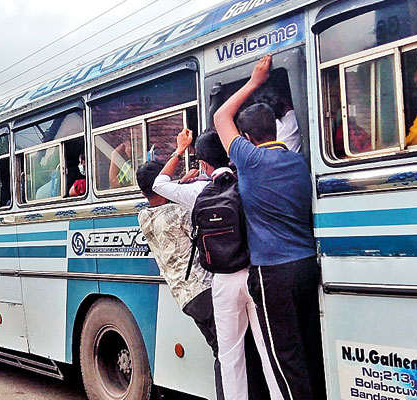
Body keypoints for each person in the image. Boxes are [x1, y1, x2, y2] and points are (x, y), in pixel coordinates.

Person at [214, 55, 324, 400]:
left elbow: (220, 116)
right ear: (275, 130)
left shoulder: (250, 160)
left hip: (272, 274)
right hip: (307, 266)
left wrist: (254, 81)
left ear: (246, 137)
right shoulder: (297, 161)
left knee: (284, 359)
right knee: (307, 350)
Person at [152, 128, 281, 400]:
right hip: (254, 274)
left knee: (230, 354)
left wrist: (179, 149)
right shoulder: (247, 179)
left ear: (203, 163)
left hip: (222, 280)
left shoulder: (199, 190)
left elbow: (159, 185)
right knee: (267, 349)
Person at [135, 159, 223, 400]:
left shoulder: (144, 217)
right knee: (228, 354)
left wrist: (177, 187)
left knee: (220, 351)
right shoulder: (179, 213)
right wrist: (183, 189)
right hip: (204, 290)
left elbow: (164, 205)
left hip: (185, 297)